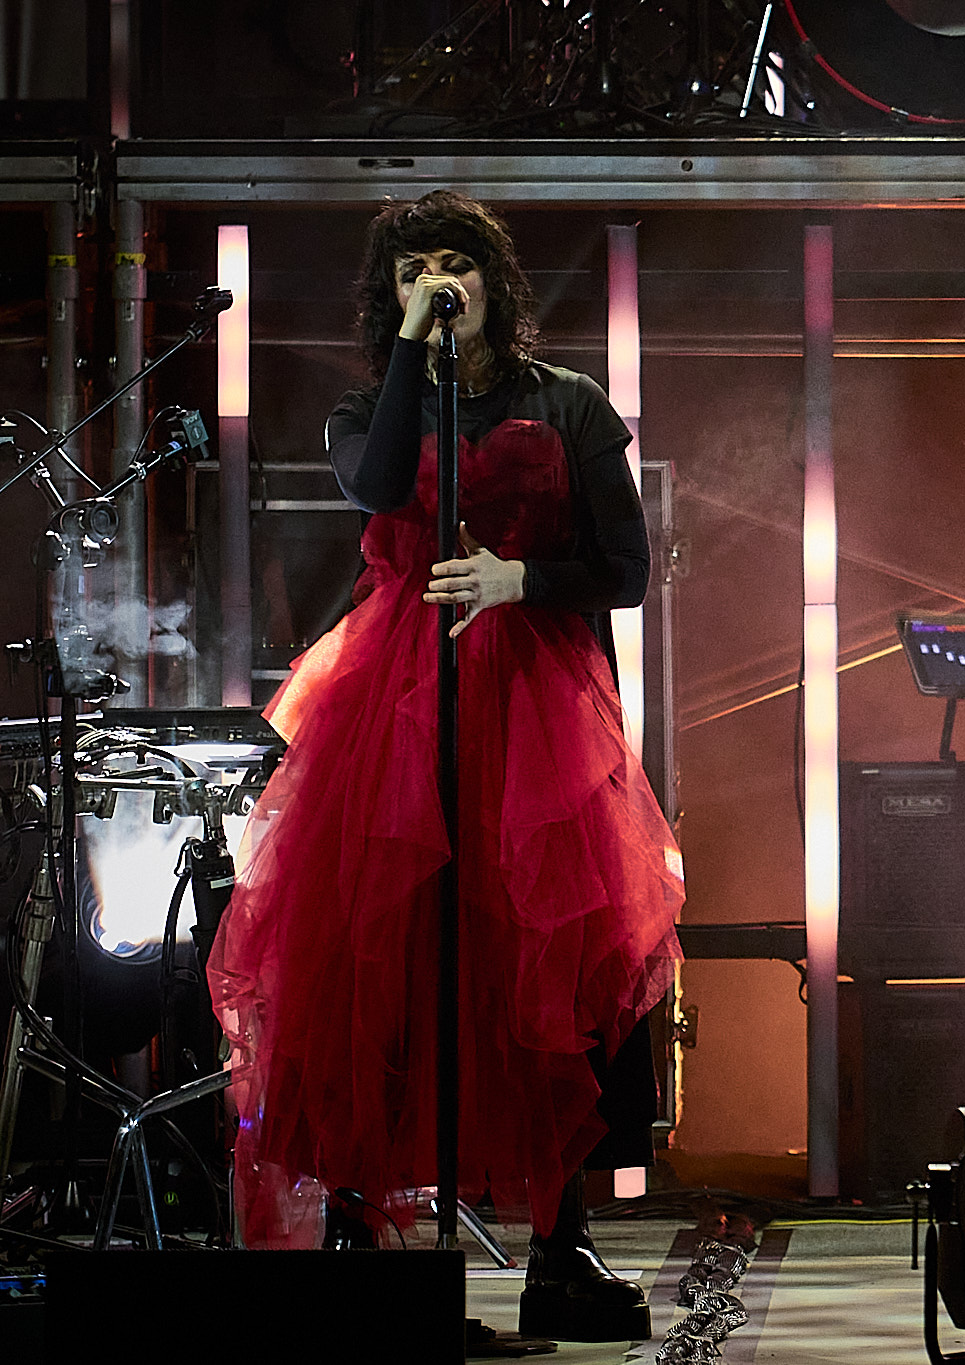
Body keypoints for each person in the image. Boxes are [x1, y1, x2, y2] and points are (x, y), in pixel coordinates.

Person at [210, 189, 684, 1343]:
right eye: (417, 265)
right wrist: (416, 367)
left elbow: (625, 567)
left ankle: (558, 1255)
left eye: (458, 260)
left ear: (494, 280)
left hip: (538, 712)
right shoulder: (366, 411)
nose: (441, 277)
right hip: (395, 709)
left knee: (542, 962)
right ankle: (386, 1250)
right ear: (394, 293)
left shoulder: (568, 403)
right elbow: (376, 491)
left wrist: (522, 581)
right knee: (392, 954)